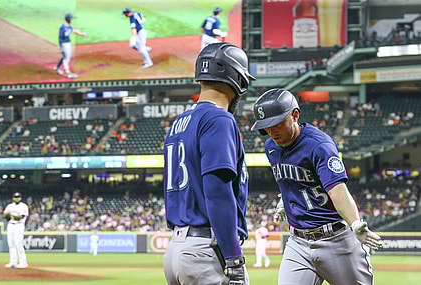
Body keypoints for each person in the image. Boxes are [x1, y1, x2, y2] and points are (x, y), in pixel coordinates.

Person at [250, 88, 382, 285]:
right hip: (298, 242)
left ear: (295, 115)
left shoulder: (318, 145)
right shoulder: (271, 147)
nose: (271, 131)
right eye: (266, 127)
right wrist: (284, 201)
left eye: (276, 123)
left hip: (336, 240)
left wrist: (355, 223)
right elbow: (289, 182)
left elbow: (338, 191)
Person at [163, 42, 256, 285]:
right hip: (206, 249)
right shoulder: (218, 120)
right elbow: (217, 193)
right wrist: (233, 257)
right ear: (238, 79)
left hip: (177, 248)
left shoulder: (178, 123)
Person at [54, 13, 88, 78]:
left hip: (67, 43)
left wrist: (82, 34)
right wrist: (61, 46)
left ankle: (57, 67)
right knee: (66, 58)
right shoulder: (62, 28)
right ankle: (68, 73)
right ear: (69, 19)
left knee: (65, 56)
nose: (72, 20)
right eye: (72, 18)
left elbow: (74, 31)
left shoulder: (69, 26)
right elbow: (60, 37)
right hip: (64, 44)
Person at [2, 192, 29, 269]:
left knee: (18, 244)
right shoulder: (10, 206)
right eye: (15, 197)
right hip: (10, 225)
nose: (16, 198)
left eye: (18, 197)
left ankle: (23, 262)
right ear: (13, 198)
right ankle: (12, 262)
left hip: (19, 225)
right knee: (11, 244)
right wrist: (8, 215)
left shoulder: (24, 206)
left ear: (20, 198)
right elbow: (4, 216)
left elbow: (20, 217)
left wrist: (11, 214)